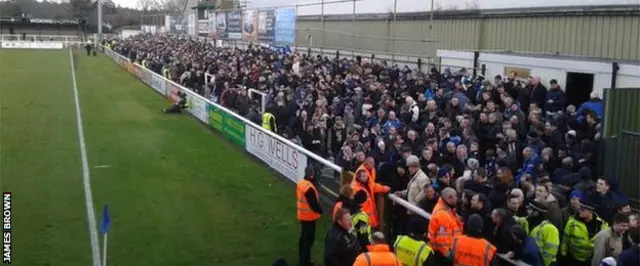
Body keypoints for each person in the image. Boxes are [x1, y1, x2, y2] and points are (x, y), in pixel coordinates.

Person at [560, 198, 609, 266]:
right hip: (574, 259)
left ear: (590, 211)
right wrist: (563, 254)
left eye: (583, 210)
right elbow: (565, 239)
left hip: (591, 259)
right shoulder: (572, 222)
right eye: (580, 208)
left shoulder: (601, 224)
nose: (580, 211)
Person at [518, 201, 560, 266]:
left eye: (530, 209)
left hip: (546, 263)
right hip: (531, 260)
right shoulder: (526, 222)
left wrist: (543, 263)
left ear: (536, 212)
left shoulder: (550, 228)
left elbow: (551, 250)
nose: (527, 211)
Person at [428, 187, 463, 262]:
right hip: (443, 255)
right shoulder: (442, 214)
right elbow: (442, 239)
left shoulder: (446, 208)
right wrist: (448, 255)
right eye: (455, 196)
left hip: (448, 249)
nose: (457, 198)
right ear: (450, 198)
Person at [296, 166, 323, 266]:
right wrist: (321, 211)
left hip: (303, 215)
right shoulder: (309, 188)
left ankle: (303, 259)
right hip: (309, 217)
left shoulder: (301, 183)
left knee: (303, 239)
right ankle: (305, 262)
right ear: (312, 174)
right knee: (308, 240)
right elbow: (314, 204)